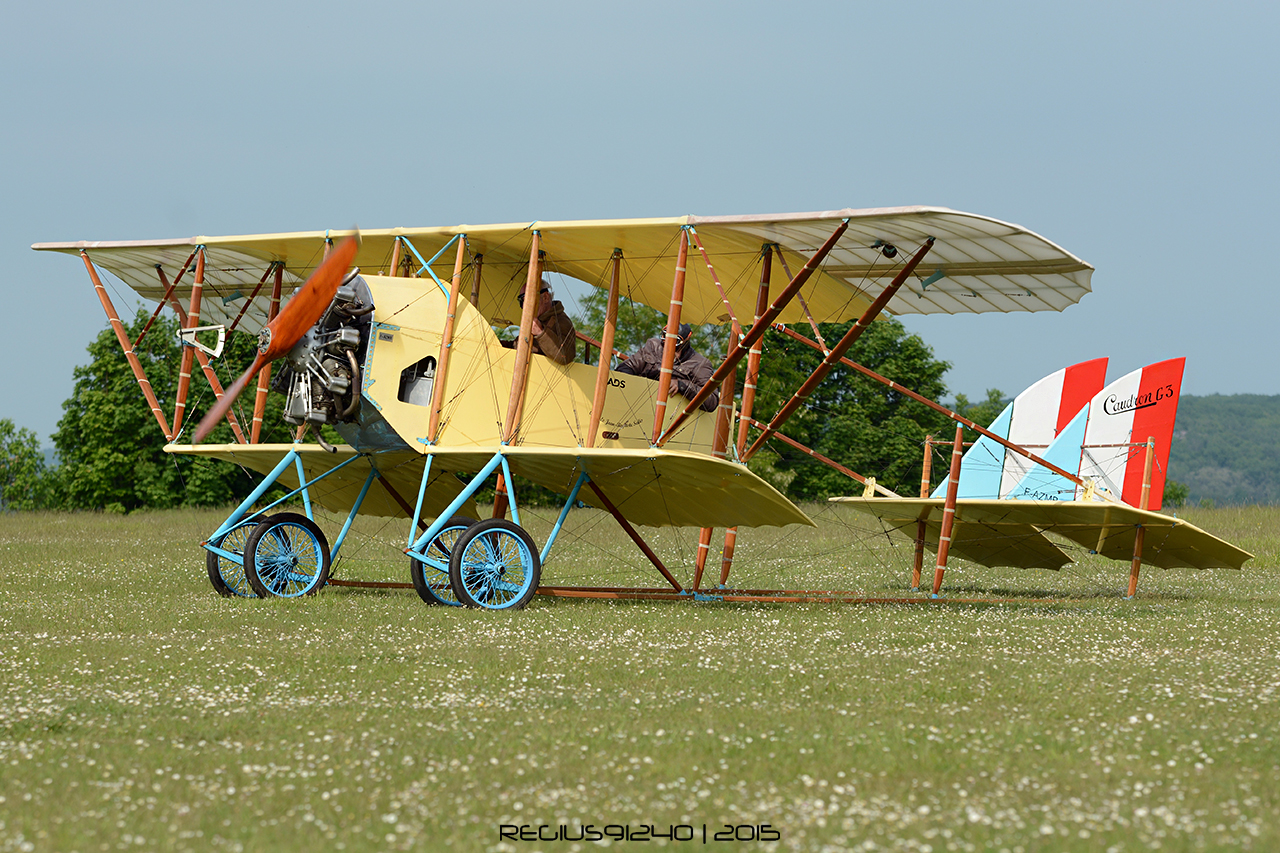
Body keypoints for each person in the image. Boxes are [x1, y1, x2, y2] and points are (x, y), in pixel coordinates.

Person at [616, 323, 719, 412]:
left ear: (687, 340)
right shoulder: (653, 346)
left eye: (676, 342)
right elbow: (626, 367)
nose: (669, 348)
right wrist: (631, 385)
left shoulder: (700, 363)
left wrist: (681, 385)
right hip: (637, 405)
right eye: (666, 338)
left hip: (672, 415)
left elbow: (712, 401)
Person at [504, 278, 577, 365]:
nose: (524, 306)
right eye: (522, 301)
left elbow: (565, 357)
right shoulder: (539, 320)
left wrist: (540, 332)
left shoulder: (562, 321)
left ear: (545, 297)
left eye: (528, 299)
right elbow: (516, 346)